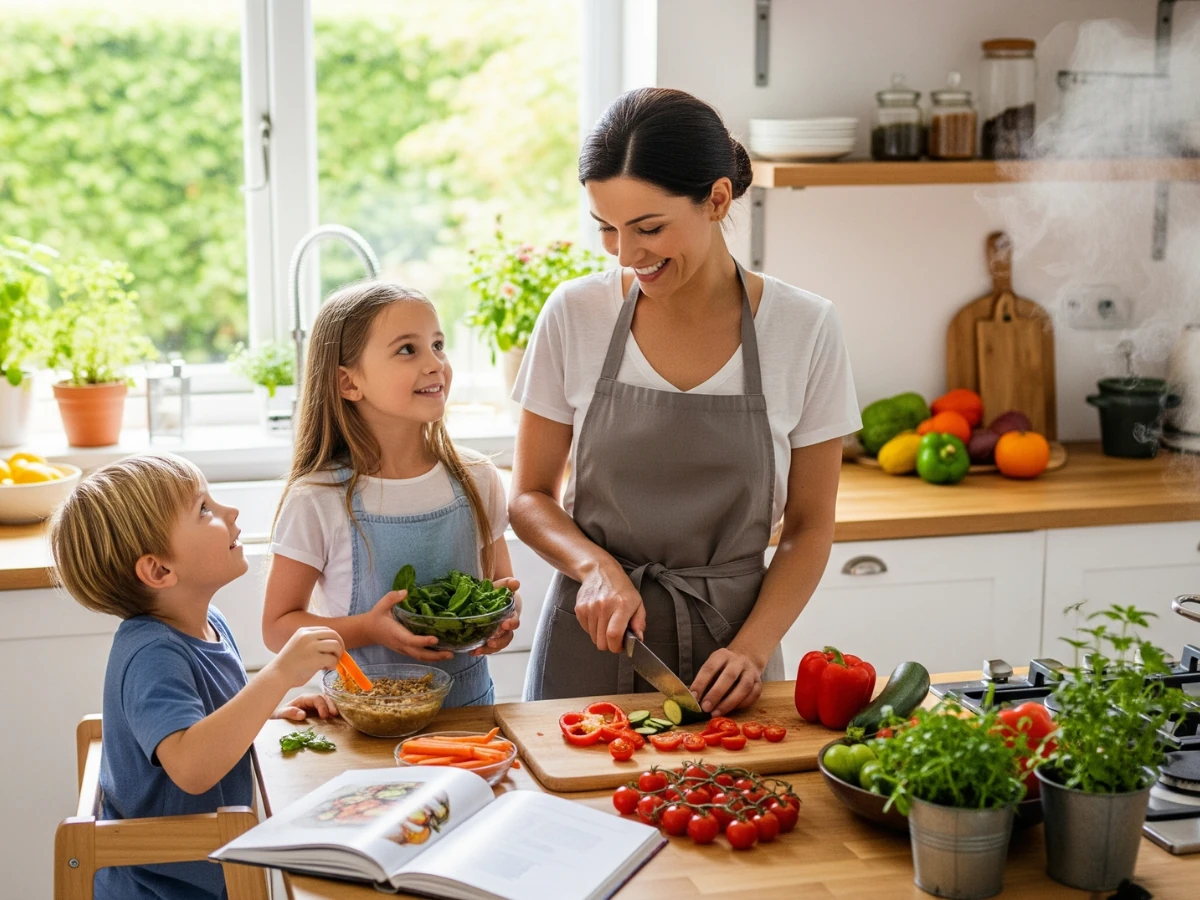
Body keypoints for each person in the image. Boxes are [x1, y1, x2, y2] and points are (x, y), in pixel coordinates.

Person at [511, 87, 861, 716]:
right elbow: (529, 497)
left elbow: (809, 528)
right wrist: (594, 567)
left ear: (717, 199)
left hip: (731, 656)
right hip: (594, 636)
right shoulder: (575, 314)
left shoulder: (804, 328)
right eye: (608, 230)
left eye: (648, 228)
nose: (626, 254)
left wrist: (753, 649)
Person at [50, 454, 343, 900]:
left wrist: (269, 709)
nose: (230, 513)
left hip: (201, 874)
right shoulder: (152, 656)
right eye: (204, 509)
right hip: (163, 889)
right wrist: (280, 672)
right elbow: (191, 767)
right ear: (159, 570)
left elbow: (207, 721)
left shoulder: (208, 623)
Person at [262, 281, 520, 707]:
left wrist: (502, 619)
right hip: (364, 722)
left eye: (438, 344)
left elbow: (498, 589)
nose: (435, 363)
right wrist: (369, 628)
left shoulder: (478, 478)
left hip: (470, 719)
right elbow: (276, 628)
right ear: (348, 383)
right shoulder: (318, 497)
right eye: (408, 350)